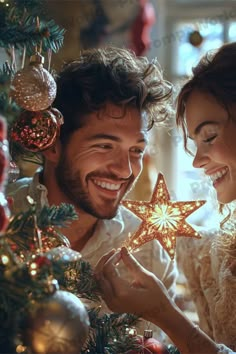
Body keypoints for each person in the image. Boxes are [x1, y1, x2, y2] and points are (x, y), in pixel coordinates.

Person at [7, 46, 177, 340]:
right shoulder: (7, 218)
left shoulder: (148, 255)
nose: (125, 170)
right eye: (104, 146)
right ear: (53, 145)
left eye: (136, 150)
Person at [95, 42, 236, 353]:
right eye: (195, 142)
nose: (198, 161)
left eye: (209, 136)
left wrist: (165, 315)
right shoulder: (216, 253)